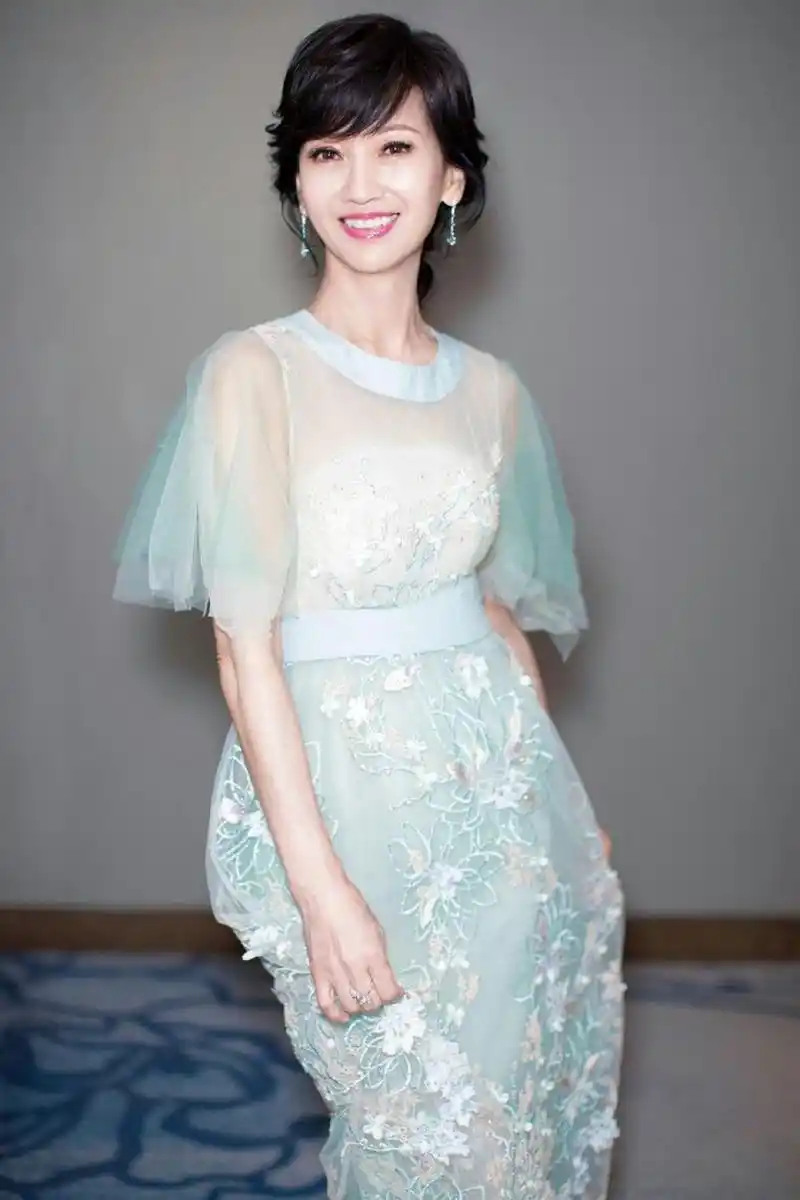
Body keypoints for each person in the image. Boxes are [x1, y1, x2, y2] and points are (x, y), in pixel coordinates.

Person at [114, 13, 625, 1198]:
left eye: (393, 147)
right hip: (339, 805)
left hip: (496, 803)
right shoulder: (252, 372)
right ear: (295, 183)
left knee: (511, 1122)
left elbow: (492, 617)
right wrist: (321, 891)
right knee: (412, 1133)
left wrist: (562, 807)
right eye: (325, 152)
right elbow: (243, 649)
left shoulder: (491, 392)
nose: (358, 184)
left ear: (450, 177)